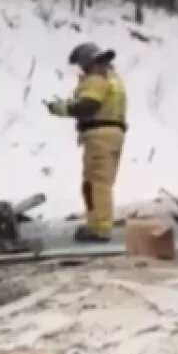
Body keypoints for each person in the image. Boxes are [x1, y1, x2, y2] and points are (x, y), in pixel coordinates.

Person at [48, 43, 128, 243]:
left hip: (99, 136)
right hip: (112, 134)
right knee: (95, 183)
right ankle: (96, 224)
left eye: (81, 65)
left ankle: (100, 228)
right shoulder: (112, 79)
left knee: (97, 183)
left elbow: (88, 106)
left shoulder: (96, 79)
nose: (81, 69)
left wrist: (62, 108)